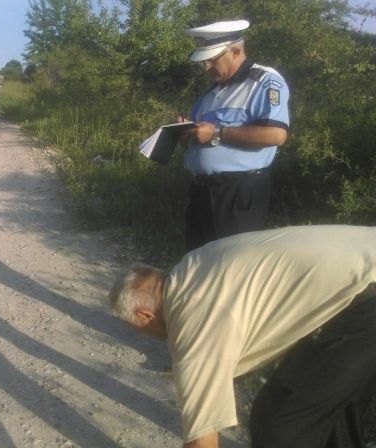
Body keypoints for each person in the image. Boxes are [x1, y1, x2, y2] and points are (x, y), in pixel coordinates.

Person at [108, 225, 376, 448]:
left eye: (136, 328)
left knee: (279, 424)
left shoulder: (193, 321)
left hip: (362, 295)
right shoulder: (193, 266)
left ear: (144, 315)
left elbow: (203, 438)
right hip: (360, 272)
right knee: (330, 412)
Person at [178, 20, 290, 251]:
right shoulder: (211, 92)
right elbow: (202, 141)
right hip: (201, 191)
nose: (206, 67)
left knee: (231, 269)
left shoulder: (265, 82)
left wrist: (217, 132)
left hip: (238, 193)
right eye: (203, 61)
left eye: (211, 60)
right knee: (196, 264)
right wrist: (185, 136)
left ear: (236, 51)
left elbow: (276, 135)